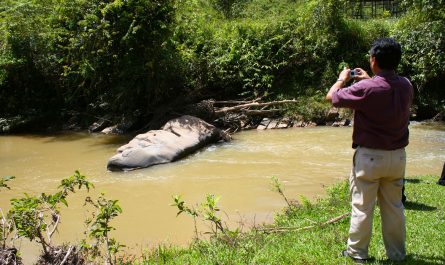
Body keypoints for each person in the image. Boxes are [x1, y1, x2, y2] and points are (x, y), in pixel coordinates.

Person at [325, 38, 414, 263]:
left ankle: (357, 253)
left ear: (374, 60)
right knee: (394, 207)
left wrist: (342, 79)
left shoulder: (366, 88)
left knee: (362, 206)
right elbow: (384, 88)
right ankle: (397, 254)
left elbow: (332, 97)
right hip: (397, 156)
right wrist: (369, 79)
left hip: (370, 157)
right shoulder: (406, 84)